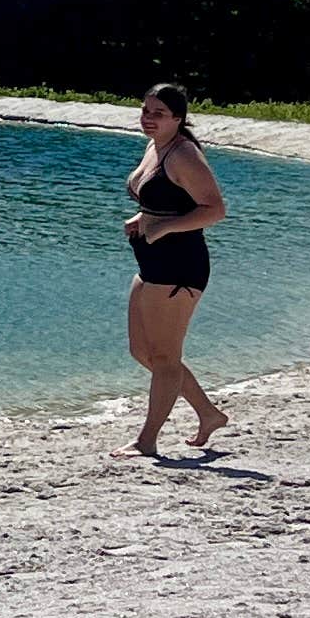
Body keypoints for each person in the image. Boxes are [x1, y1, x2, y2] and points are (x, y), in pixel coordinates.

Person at [119, 81, 229, 456]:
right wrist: (143, 216)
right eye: (146, 111)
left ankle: (146, 440)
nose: (148, 119)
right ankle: (208, 413)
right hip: (152, 261)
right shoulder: (156, 145)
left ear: (178, 119)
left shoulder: (183, 155)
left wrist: (164, 227)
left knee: (165, 357)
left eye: (158, 114)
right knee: (143, 352)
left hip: (179, 266)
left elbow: (213, 209)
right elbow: (167, 197)